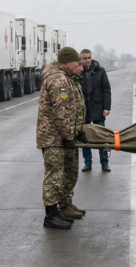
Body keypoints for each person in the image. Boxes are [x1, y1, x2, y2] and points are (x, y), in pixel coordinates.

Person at [37, 47, 86, 229]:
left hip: (63, 137)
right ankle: (50, 216)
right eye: (77, 64)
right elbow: (61, 112)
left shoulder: (66, 78)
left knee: (66, 173)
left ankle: (61, 208)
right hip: (54, 138)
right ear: (66, 62)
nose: (81, 67)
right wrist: (69, 136)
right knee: (54, 176)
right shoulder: (58, 80)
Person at [79, 49, 111, 172]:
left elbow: (106, 90)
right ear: (81, 59)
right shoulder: (78, 72)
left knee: (101, 137)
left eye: (89, 58)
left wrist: (106, 107)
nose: (87, 60)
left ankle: (104, 163)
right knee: (85, 138)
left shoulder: (100, 71)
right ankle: (87, 162)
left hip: (98, 108)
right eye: (85, 58)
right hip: (83, 109)